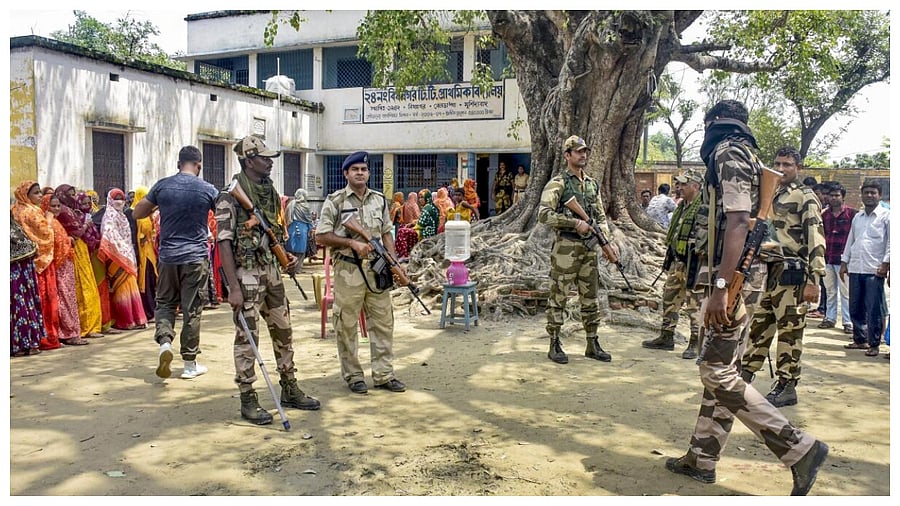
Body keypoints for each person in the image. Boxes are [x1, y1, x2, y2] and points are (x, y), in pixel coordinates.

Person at [666, 100, 827, 495]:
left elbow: (738, 220)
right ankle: (702, 457)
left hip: (733, 276)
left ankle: (799, 447)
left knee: (716, 372)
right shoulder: (745, 153)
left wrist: (722, 288)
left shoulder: (728, 152)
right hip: (739, 272)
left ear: (711, 124)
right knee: (722, 368)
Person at [216, 135, 320, 425]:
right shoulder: (230, 195)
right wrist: (233, 288)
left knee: (283, 330)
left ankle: (289, 385)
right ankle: (248, 398)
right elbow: (222, 242)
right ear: (249, 161)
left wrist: (285, 256)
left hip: (271, 270)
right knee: (248, 337)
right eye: (264, 158)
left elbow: (274, 229)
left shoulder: (269, 192)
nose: (270, 162)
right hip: (245, 274)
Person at [739, 146, 826, 408]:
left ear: (798, 167)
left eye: (788, 164)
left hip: (793, 275)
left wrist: (815, 280)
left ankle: (787, 384)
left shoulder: (805, 197)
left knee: (789, 331)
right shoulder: (771, 193)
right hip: (769, 271)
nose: (782, 167)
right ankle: (744, 374)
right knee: (759, 326)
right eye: (778, 163)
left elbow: (816, 239)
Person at [316, 151, 407, 395]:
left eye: (363, 169)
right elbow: (321, 236)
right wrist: (351, 243)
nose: (359, 173)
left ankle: (384, 374)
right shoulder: (335, 201)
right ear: (346, 173)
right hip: (348, 270)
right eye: (354, 169)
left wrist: (394, 262)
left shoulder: (379, 200)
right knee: (346, 324)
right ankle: (354, 375)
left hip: (377, 270)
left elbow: (387, 233)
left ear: (368, 173)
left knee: (383, 322)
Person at [135, 145, 220, 379]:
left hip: (168, 257)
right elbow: (224, 214)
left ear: (178, 163)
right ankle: (190, 365)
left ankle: (164, 343)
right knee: (192, 309)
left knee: (165, 304)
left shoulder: (163, 186)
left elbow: (137, 213)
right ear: (199, 165)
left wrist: (158, 203)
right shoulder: (207, 189)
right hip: (195, 257)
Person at [538, 135, 618, 365]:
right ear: (567, 155)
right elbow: (543, 214)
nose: (583, 155)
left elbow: (601, 216)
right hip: (566, 248)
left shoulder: (592, 184)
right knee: (559, 295)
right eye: (578, 151)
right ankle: (554, 342)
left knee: (590, 297)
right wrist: (574, 223)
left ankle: (592, 342)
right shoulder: (559, 183)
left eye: (585, 151)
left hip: (589, 249)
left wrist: (606, 241)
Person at [641, 168, 704, 359]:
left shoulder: (703, 208)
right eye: (678, 183)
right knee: (669, 297)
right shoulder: (682, 207)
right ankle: (666, 336)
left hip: (694, 263)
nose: (679, 187)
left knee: (694, 304)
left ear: (696, 185)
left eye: (684, 183)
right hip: (677, 261)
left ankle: (695, 342)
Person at [841, 180, 890, 357]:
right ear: (861, 195)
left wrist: (886, 263)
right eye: (866, 192)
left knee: (873, 308)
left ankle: (874, 343)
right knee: (855, 306)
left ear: (879, 195)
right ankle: (859, 340)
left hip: (874, 269)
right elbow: (850, 241)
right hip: (855, 267)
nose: (869, 195)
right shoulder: (858, 217)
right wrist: (844, 262)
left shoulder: (886, 216)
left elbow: (891, 242)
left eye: (873, 193)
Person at [11, 181, 61, 351]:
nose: (40, 196)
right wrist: (49, 219)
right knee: (38, 300)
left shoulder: (14, 210)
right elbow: (46, 234)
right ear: (26, 194)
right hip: (37, 262)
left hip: (22, 264)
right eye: (36, 193)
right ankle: (42, 338)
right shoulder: (32, 212)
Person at [54, 186, 104, 339]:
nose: (73, 197)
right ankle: (87, 325)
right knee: (83, 287)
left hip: (81, 250)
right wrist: (86, 225)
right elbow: (77, 232)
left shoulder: (72, 211)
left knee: (87, 285)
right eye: (70, 195)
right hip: (74, 251)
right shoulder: (64, 211)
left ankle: (91, 325)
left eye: (74, 194)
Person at [99, 188, 148, 331]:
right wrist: (120, 252)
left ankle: (136, 318)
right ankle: (125, 320)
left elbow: (127, 237)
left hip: (128, 255)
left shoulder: (123, 216)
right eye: (116, 199)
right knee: (122, 288)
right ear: (110, 200)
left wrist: (127, 252)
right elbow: (108, 235)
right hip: (116, 257)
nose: (119, 202)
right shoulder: (109, 215)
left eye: (121, 198)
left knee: (131, 286)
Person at [42, 194, 87, 346]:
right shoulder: (48, 222)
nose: (56, 208)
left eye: (57, 205)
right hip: (59, 266)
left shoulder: (56, 222)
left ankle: (71, 332)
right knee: (64, 300)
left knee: (69, 299)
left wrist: (68, 240)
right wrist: (69, 240)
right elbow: (50, 241)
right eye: (52, 206)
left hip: (66, 265)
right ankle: (68, 333)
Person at [821, 182, 856, 334]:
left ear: (843, 197)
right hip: (827, 258)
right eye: (831, 195)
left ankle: (848, 322)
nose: (833, 198)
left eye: (837, 195)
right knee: (830, 291)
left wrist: (849, 259)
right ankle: (830, 318)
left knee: (846, 292)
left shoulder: (852, 214)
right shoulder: (824, 215)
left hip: (844, 260)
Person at [10, 211, 46, 357]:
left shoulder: (15, 226)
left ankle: (28, 342)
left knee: (24, 304)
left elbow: (29, 246)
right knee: (16, 305)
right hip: (14, 274)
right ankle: (19, 345)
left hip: (22, 274)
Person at [131, 186, 158, 322]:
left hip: (150, 252)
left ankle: (153, 310)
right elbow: (139, 236)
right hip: (143, 254)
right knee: (146, 282)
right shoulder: (139, 216)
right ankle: (148, 312)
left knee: (152, 281)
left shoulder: (147, 216)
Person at [285, 188, 315, 264]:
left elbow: (285, 217)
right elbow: (309, 220)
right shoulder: (306, 206)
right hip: (302, 229)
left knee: (290, 248)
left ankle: (289, 267)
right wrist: (311, 229)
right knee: (301, 250)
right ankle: (298, 268)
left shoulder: (291, 204)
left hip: (291, 228)